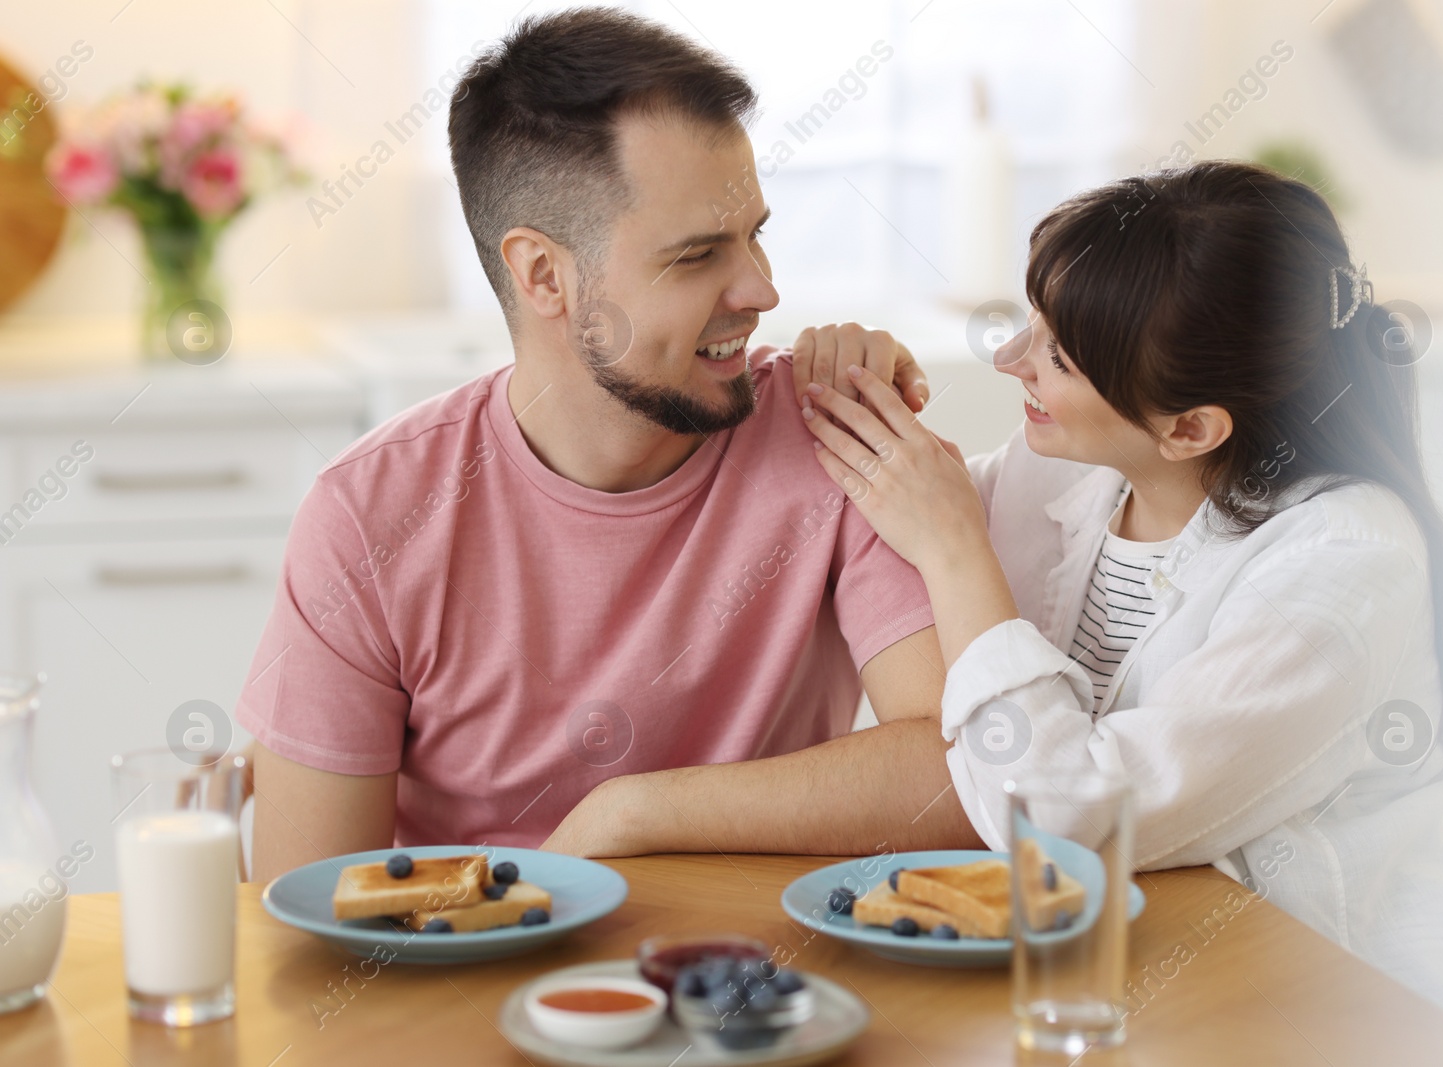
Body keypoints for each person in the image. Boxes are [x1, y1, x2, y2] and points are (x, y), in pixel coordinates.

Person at [801, 161, 1443, 1063]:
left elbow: (1068, 820)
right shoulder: (1069, 464)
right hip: (1134, 983)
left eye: (1056, 353)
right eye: (1035, 323)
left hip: (1349, 1007)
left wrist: (955, 550)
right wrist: (853, 386)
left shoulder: (1348, 564)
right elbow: (894, 515)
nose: (1010, 359)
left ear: (1191, 429)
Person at [238, 7, 983, 882]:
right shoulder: (370, 515)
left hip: (756, 995)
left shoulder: (840, 433)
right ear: (543, 275)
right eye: (698, 254)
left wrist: (629, 813)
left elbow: (966, 775)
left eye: (756, 235)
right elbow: (307, 905)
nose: (763, 289)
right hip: (474, 985)